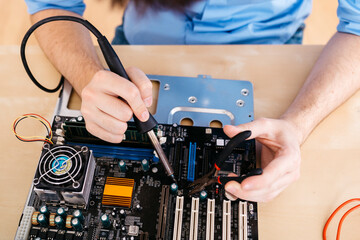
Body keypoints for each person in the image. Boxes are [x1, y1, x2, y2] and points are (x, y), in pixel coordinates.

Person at [24, 0, 360, 202]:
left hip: (272, 54)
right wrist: (87, 75)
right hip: (138, 48)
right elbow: (51, 6)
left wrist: (298, 125)